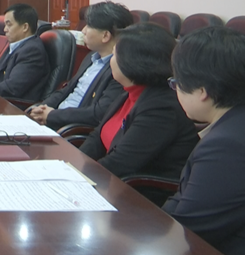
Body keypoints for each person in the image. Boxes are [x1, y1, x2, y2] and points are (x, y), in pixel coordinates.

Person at [79, 23, 198, 204]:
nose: (111, 60)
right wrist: (73, 166)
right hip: (110, 184)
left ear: (132, 62)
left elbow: (121, 163)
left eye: (115, 54)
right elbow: (97, 136)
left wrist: (78, 178)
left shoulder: (161, 108)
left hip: (141, 199)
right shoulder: (130, 92)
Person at [163, 27, 245, 255]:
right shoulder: (233, 124)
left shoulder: (226, 146)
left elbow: (191, 232)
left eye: (176, 83)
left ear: (202, 91)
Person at [27, 1, 133, 129]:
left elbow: (98, 113)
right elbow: (67, 90)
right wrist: (42, 108)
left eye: (89, 26)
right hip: (54, 119)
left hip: (70, 129)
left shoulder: (120, 71)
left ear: (105, 36)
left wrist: (52, 115)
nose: (83, 31)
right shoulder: (91, 57)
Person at [0, 4, 49, 100]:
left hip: (14, 104)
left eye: (9, 25)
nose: (5, 29)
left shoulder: (32, 51)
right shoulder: (16, 45)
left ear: (25, 27)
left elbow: (12, 87)